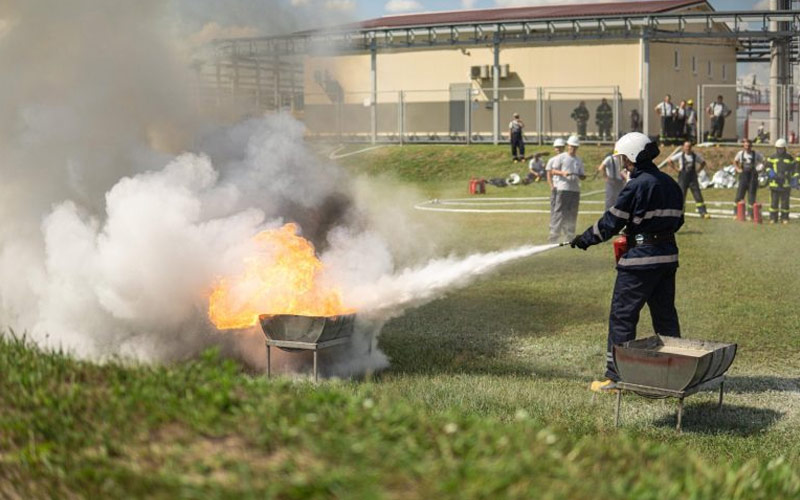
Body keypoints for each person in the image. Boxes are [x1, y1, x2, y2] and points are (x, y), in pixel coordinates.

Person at [570, 132, 684, 391]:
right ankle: (677, 371)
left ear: (632, 156)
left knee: (622, 316)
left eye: (624, 158)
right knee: (665, 317)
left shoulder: (637, 185)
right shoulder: (670, 184)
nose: (622, 164)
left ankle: (617, 376)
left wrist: (585, 239)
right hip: (667, 258)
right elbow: (678, 221)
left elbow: (612, 221)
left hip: (640, 262)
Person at [548, 135, 586, 243]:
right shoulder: (561, 157)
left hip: (575, 190)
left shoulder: (578, 159)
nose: (573, 149)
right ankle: (554, 235)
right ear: (568, 146)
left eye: (575, 147)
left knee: (572, 213)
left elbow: (581, 174)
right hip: (563, 188)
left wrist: (582, 176)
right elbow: (553, 171)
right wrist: (563, 173)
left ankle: (569, 235)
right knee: (560, 212)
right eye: (571, 146)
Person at [668, 141, 710, 218]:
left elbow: (703, 162)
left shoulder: (695, 156)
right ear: (683, 147)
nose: (688, 148)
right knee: (681, 195)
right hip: (683, 178)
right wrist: (677, 169)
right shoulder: (680, 155)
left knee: (698, 195)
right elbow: (670, 161)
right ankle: (680, 213)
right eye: (686, 146)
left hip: (693, 178)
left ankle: (703, 212)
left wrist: (698, 170)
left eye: (689, 146)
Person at [765, 138, 798, 224]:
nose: (780, 150)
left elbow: (794, 169)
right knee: (774, 202)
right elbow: (767, 167)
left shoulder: (789, 158)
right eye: (778, 148)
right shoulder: (772, 157)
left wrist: (793, 178)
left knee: (785, 203)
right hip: (775, 184)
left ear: (785, 148)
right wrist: (771, 174)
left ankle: (785, 218)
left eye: (781, 148)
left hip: (785, 184)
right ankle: (773, 218)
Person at [733, 138, 764, 219]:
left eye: (749, 146)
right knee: (739, 195)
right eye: (746, 145)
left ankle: (751, 214)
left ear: (751, 146)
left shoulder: (756, 154)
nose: (747, 147)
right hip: (743, 176)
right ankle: (736, 213)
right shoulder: (740, 153)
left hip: (753, 177)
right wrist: (737, 169)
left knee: (751, 197)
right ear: (743, 146)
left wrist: (760, 167)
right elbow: (735, 161)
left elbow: (763, 161)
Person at [546, 138, 567, 218]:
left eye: (560, 147)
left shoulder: (567, 159)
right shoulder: (552, 160)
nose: (558, 149)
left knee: (564, 207)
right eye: (556, 147)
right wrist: (551, 186)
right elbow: (549, 174)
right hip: (556, 186)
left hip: (565, 187)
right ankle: (553, 224)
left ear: (563, 147)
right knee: (554, 206)